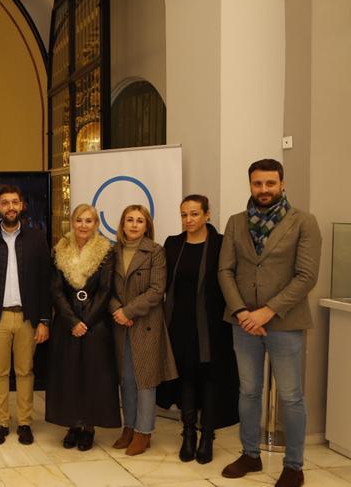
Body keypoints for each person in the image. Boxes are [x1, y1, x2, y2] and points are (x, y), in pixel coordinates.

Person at [218, 159, 321, 487]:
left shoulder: (304, 222)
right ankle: (250, 455)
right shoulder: (235, 223)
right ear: (250, 185)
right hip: (243, 323)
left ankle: (294, 466)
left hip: (285, 323)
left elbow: (306, 276)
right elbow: (225, 271)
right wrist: (242, 312)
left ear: (282, 184)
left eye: (270, 184)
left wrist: (267, 311)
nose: (264, 190)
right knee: (248, 391)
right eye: (257, 184)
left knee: (291, 395)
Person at [156, 195, 238, 465]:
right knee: (186, 377)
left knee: (209, 379)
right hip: (179, 323)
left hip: (213, 324)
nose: (188, 220)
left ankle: (207, 436)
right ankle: (188, 433)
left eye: (193, 214)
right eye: (183, 215)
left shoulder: (221, 244)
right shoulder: (173, 243)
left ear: (207, 215)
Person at [0, 185, 51, 446]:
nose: (10, 207)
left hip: (28, 317)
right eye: (5, 203)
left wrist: (44, 320)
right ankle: (1, 422)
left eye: (15, 202)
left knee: (26, 371)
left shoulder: (37, 238)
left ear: (22, 205)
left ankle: (25, 422)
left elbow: (45, 281)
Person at [46, 203, 120, 450]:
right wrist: (72, 321)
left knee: (93, 376)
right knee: (69, 376)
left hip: (95, 326)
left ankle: (89, 427)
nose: (83, 225)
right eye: (79, 220)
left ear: (96, 224)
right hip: (66, 325)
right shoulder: (59, 250)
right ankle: (73, 425)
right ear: (72, 222)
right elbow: (55, 290)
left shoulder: (106, 252)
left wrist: (86, 322)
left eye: (89, 221)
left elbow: (106, 290)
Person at [109, 204, 178, 456]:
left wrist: (128, 311)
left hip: (145, 324)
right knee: (126, 380)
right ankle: (129, 427)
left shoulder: (156, 252)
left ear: (146, 225)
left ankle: (143, 432)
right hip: (119, 324)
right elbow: (106, 288)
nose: (134, 224)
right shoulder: (111, 251)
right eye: (130, 220)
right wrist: (117, 310)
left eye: (140, 220)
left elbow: (157, 290)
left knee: (145, 379)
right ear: (122, 224)